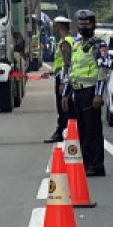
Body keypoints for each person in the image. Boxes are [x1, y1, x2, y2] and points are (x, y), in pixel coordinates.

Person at [64, 9, 112, 176]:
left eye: (87, 23)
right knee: (82, 129)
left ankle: (96, 164)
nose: (84, 26)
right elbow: (73, 71)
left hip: (91, 92)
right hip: (78, 91)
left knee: (93, 130)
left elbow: (103, 69)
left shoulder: (99, 45)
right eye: (81, 23)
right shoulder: (76, 45)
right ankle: (85, 163)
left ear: (93, 25)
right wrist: (66, 93)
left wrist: (99, 94)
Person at [45, 15, 74, 143]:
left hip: (63, 79)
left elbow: (67, 63)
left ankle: (61, 131)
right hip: (61, 75)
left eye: (58, 27)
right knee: (66, 106)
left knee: (63, 106)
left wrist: (63, 82)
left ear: (62, 27)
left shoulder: (65, 43)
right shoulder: (69, 40)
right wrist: (53, 71)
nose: (57, 29)